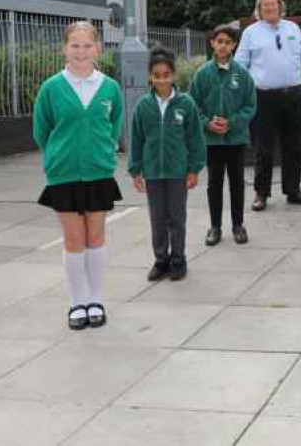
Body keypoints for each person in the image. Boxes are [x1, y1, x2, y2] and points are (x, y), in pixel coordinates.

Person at [33, 21, 123, 331]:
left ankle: (96, 299)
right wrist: (58, 156)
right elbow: (42, 130)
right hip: (64, 175)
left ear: (97, 49)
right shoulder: (51, 88)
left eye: (87, 46)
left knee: (96, 237)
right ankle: (77, 302)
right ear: (64, 48)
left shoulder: (110, 87)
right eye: (75, 46)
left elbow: (114, 125)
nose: (81, 52)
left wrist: (102, 153)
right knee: (74, 239)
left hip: (98, 172)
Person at [128, 46, 206, 281]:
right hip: (152, 173)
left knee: (176, 218)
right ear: (150, 77)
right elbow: (137, 139)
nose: (162, 80)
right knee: (157, 218)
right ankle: (161, 260)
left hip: (177, 173)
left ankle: (178, 260)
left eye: (166, 75)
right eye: (157, 75)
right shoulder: (143, 106)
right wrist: (136, 170)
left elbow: (195, 139)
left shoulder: (186, 104)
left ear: (173, 75)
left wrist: (194, 168)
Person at [235, 0, 301, 211]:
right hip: (263, 97)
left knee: (294, 146)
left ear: (280, 5)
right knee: (263, 148)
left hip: (294, 94)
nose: (270, 8)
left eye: (274, 4)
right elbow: (240, 67)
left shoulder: (293, 28)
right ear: (259, 9)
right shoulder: (251, 33)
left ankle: (293, 190)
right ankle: (261, 193)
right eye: (265, 6)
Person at [190, 24, 256, 245]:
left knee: (237, 183)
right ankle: (215, 227)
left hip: (236, 139)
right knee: (214, 184)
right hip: (212, 141)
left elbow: (250, 105)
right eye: (219, 41)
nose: (223, 45)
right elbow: (193, 105)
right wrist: (207, 123)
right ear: (212, 44)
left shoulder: (243, 74)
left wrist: (233, 122)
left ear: (234, 45)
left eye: (227, 42)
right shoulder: (202, 74)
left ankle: (238, 225)